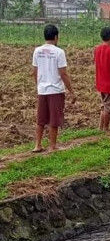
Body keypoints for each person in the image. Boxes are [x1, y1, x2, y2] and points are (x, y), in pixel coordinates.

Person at [32, 24, 76, 153]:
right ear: (56, 37)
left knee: (40, 119)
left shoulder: (37, 51)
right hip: (55, 90)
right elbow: (63, 73)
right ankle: (52, 146)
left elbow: (35, 71)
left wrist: (38, 85)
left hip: (42, 90)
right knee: (54, 119)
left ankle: (37, 145)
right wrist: (71, 91)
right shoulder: (59, 52)